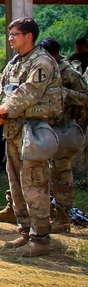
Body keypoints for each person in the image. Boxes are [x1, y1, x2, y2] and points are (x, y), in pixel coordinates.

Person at [0, 17, 63, 257]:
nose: (10, 39)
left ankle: (41, 239)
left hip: (33, 131)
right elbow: (1, 89)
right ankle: (25, 231)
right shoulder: (14, 63)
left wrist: (2, 111)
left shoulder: (42, 62)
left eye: (15, 34)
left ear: (29, 36)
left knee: (35, 183)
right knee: (17, 183)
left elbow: (28, 92)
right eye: (10, 34)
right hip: (13, 131)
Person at [39, 38, 88, 233]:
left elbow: (85, 97)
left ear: (54, 54)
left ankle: (63, 217)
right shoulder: (43, 70)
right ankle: (46, 212)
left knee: (61, 175)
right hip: (44, 130)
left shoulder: (68, 72)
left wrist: (64, 93)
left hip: (64, 130)